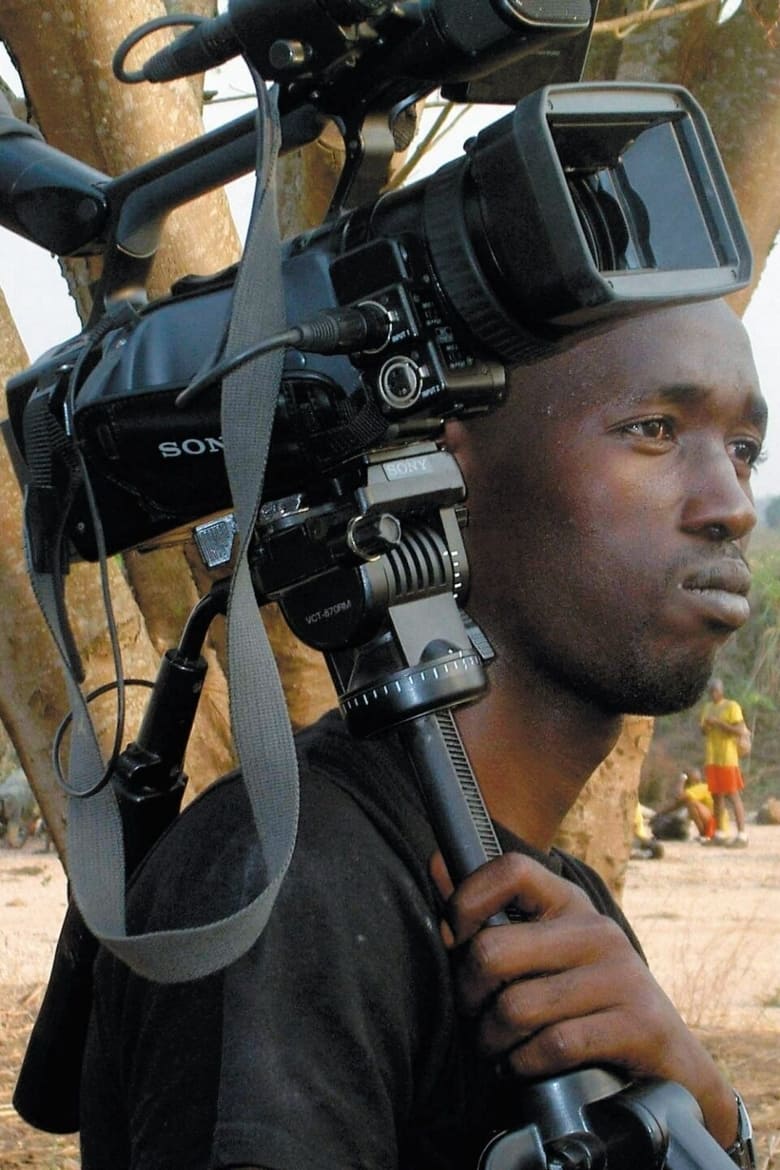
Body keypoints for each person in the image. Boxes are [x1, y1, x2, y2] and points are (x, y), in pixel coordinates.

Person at [77, 300, 764, 1170]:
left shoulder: (560, 903)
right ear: (445, 466)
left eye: (745, 450)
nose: (730, 504)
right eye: (654, 430)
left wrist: (705, 1111)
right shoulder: (288, 888)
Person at [700, 677, 750, 847]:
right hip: (712, 756)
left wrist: (719, 723)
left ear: (721, 690)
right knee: (716, 796)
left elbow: (739, 730)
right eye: (711, 691)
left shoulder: (731, 706)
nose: (713, 693)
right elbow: (703, 731)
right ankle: (719, 833)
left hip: (728, 757)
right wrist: (706, 726)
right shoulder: (707, 708)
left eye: (716, 690)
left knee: (733, 794)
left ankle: (742, 835)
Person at [655, 767, 720, 841]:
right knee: (686, 806)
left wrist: (682, 780)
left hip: (713, 824)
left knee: (691, 804)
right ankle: (704, 834)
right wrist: (660, 814)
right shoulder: (694, 792)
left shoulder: (701, 787)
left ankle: (704, 834)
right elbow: (677, 805)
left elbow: (679, 796)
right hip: (712, 822)